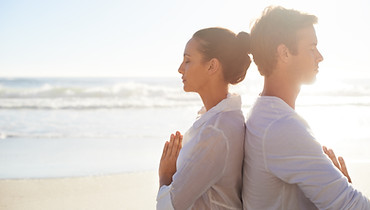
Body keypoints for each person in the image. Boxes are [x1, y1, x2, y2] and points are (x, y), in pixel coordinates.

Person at [242, 6, 370, 209]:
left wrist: (340, 187)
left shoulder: (265, 113)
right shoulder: (281, 126)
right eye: (311, 48)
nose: (319, 56)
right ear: (284, 53)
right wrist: (344, 190)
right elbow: (352, 205)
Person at [156, 27, 251, 209]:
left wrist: (165, 176)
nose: (180, 69)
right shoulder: (224, 118)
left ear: (212, 66)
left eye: (188, 60)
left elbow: (169, 207)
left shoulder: (216, 131)